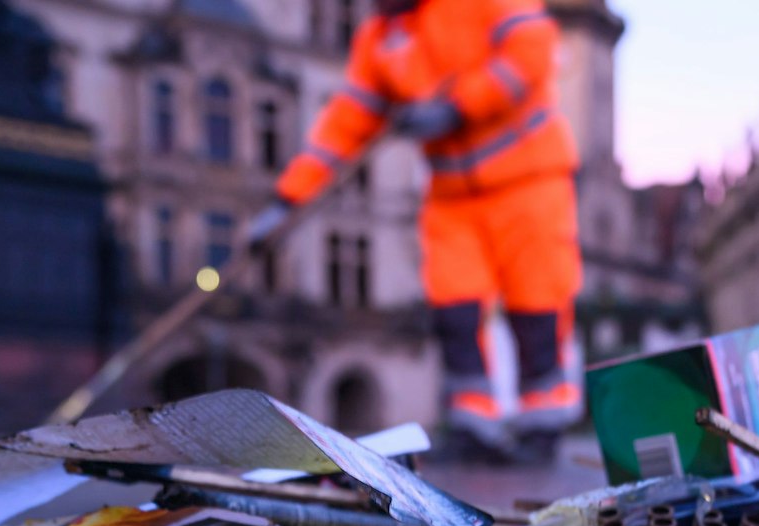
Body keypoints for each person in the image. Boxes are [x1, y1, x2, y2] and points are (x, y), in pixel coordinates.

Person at [248, 0, 583, 458]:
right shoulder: (379, 39)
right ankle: (473, 426)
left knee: (537, 305)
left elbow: (530, 51)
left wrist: (457, 107)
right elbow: (344, 126)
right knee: (454, 311)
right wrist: (287, 200)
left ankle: (542, 425)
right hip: (451, 195)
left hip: (528, 179)